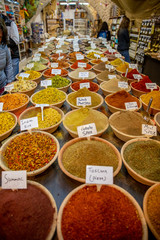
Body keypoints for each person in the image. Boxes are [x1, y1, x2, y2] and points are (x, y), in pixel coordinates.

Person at [0, 13, 20, 78]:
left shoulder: (11, 24)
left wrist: (5, 42)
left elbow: (16, 40)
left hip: (13, 55)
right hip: (6, 57)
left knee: (13, 77)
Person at [0, 19, 14, 94]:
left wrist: (9, 81)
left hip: (3, 84)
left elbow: (8, 64)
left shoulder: (3, 46)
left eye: (0, 37)